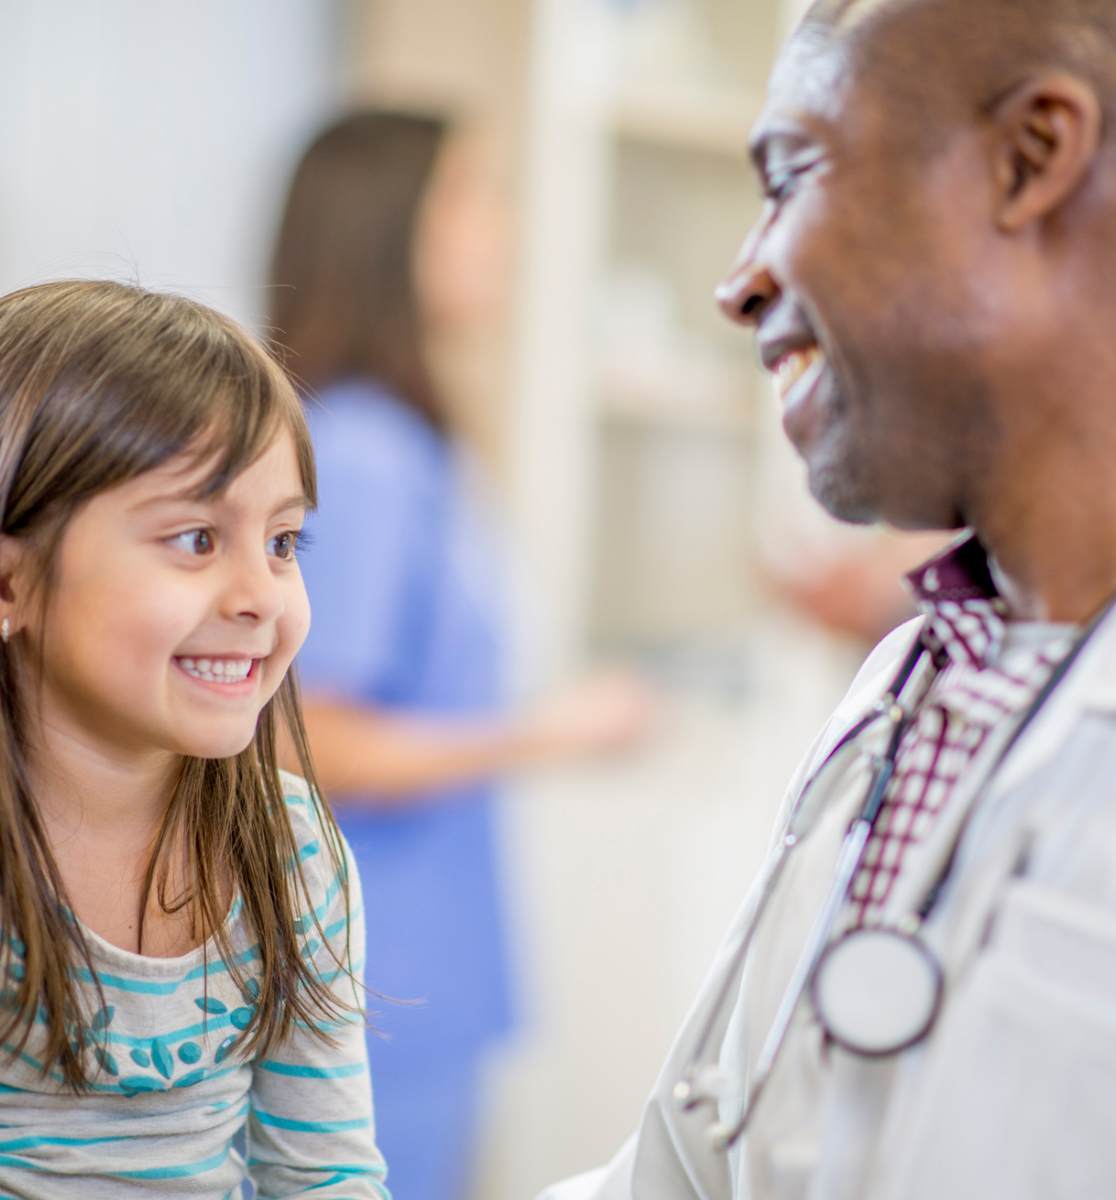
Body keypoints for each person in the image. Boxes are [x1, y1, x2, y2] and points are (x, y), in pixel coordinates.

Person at [541, 1, 1116, 1197]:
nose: (740, 283)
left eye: (792, 175)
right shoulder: (925, 687)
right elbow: (692, 1173)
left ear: (1030, 157)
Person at [269, 111, 650, 1200]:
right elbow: (314, 740)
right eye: (469, 201)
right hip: (374, 986)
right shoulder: (365, 452)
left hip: (417, 975)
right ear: (388, 231)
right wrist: (558, 729)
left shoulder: (400, 438)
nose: (503, 233)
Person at [0, 280, 384, 1197]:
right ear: (11, 586)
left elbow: (326, 1174)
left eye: (285, 543)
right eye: (196, 538)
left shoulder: (291, 857)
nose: (260, 595)